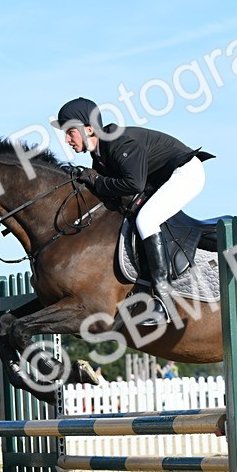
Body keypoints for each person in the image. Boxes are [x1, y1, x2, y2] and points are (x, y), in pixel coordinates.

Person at [51, 97, 214, 325]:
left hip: (185, 173)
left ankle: (162, 299)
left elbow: (133, 184)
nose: (67, 140)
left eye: (70, 133)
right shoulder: (99, 155)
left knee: (147, 220)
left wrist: (96, 180)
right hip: (162, 179)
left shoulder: (118, 142)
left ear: (88, 129)